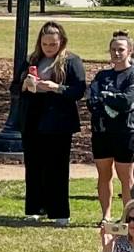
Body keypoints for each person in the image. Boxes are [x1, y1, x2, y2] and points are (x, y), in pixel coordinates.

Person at [18, 20, 86, 224]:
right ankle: (35, 208)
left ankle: (59, 212)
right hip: (33, 120)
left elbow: (78, 91)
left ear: (62, 42)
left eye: (53, 44)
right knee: (34, 165)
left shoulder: (72, 61)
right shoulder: (32, 60)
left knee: (57, 167)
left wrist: (56, 88)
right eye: (45, 44)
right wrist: (25, 85)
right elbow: (14, 87)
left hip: (59, 122)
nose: (49, 48)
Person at [87, 31, 134, 225]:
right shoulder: (102, 75)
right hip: (102, 131)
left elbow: (128, 101)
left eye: (121, 49)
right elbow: (92, 101)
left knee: (126, 176)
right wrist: (111, 99)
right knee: (104, 174)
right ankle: (106, 216)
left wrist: (107, 97)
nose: (116, 53)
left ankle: (128, 217)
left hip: (127, 131)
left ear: (130, 51)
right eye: (113, 50)